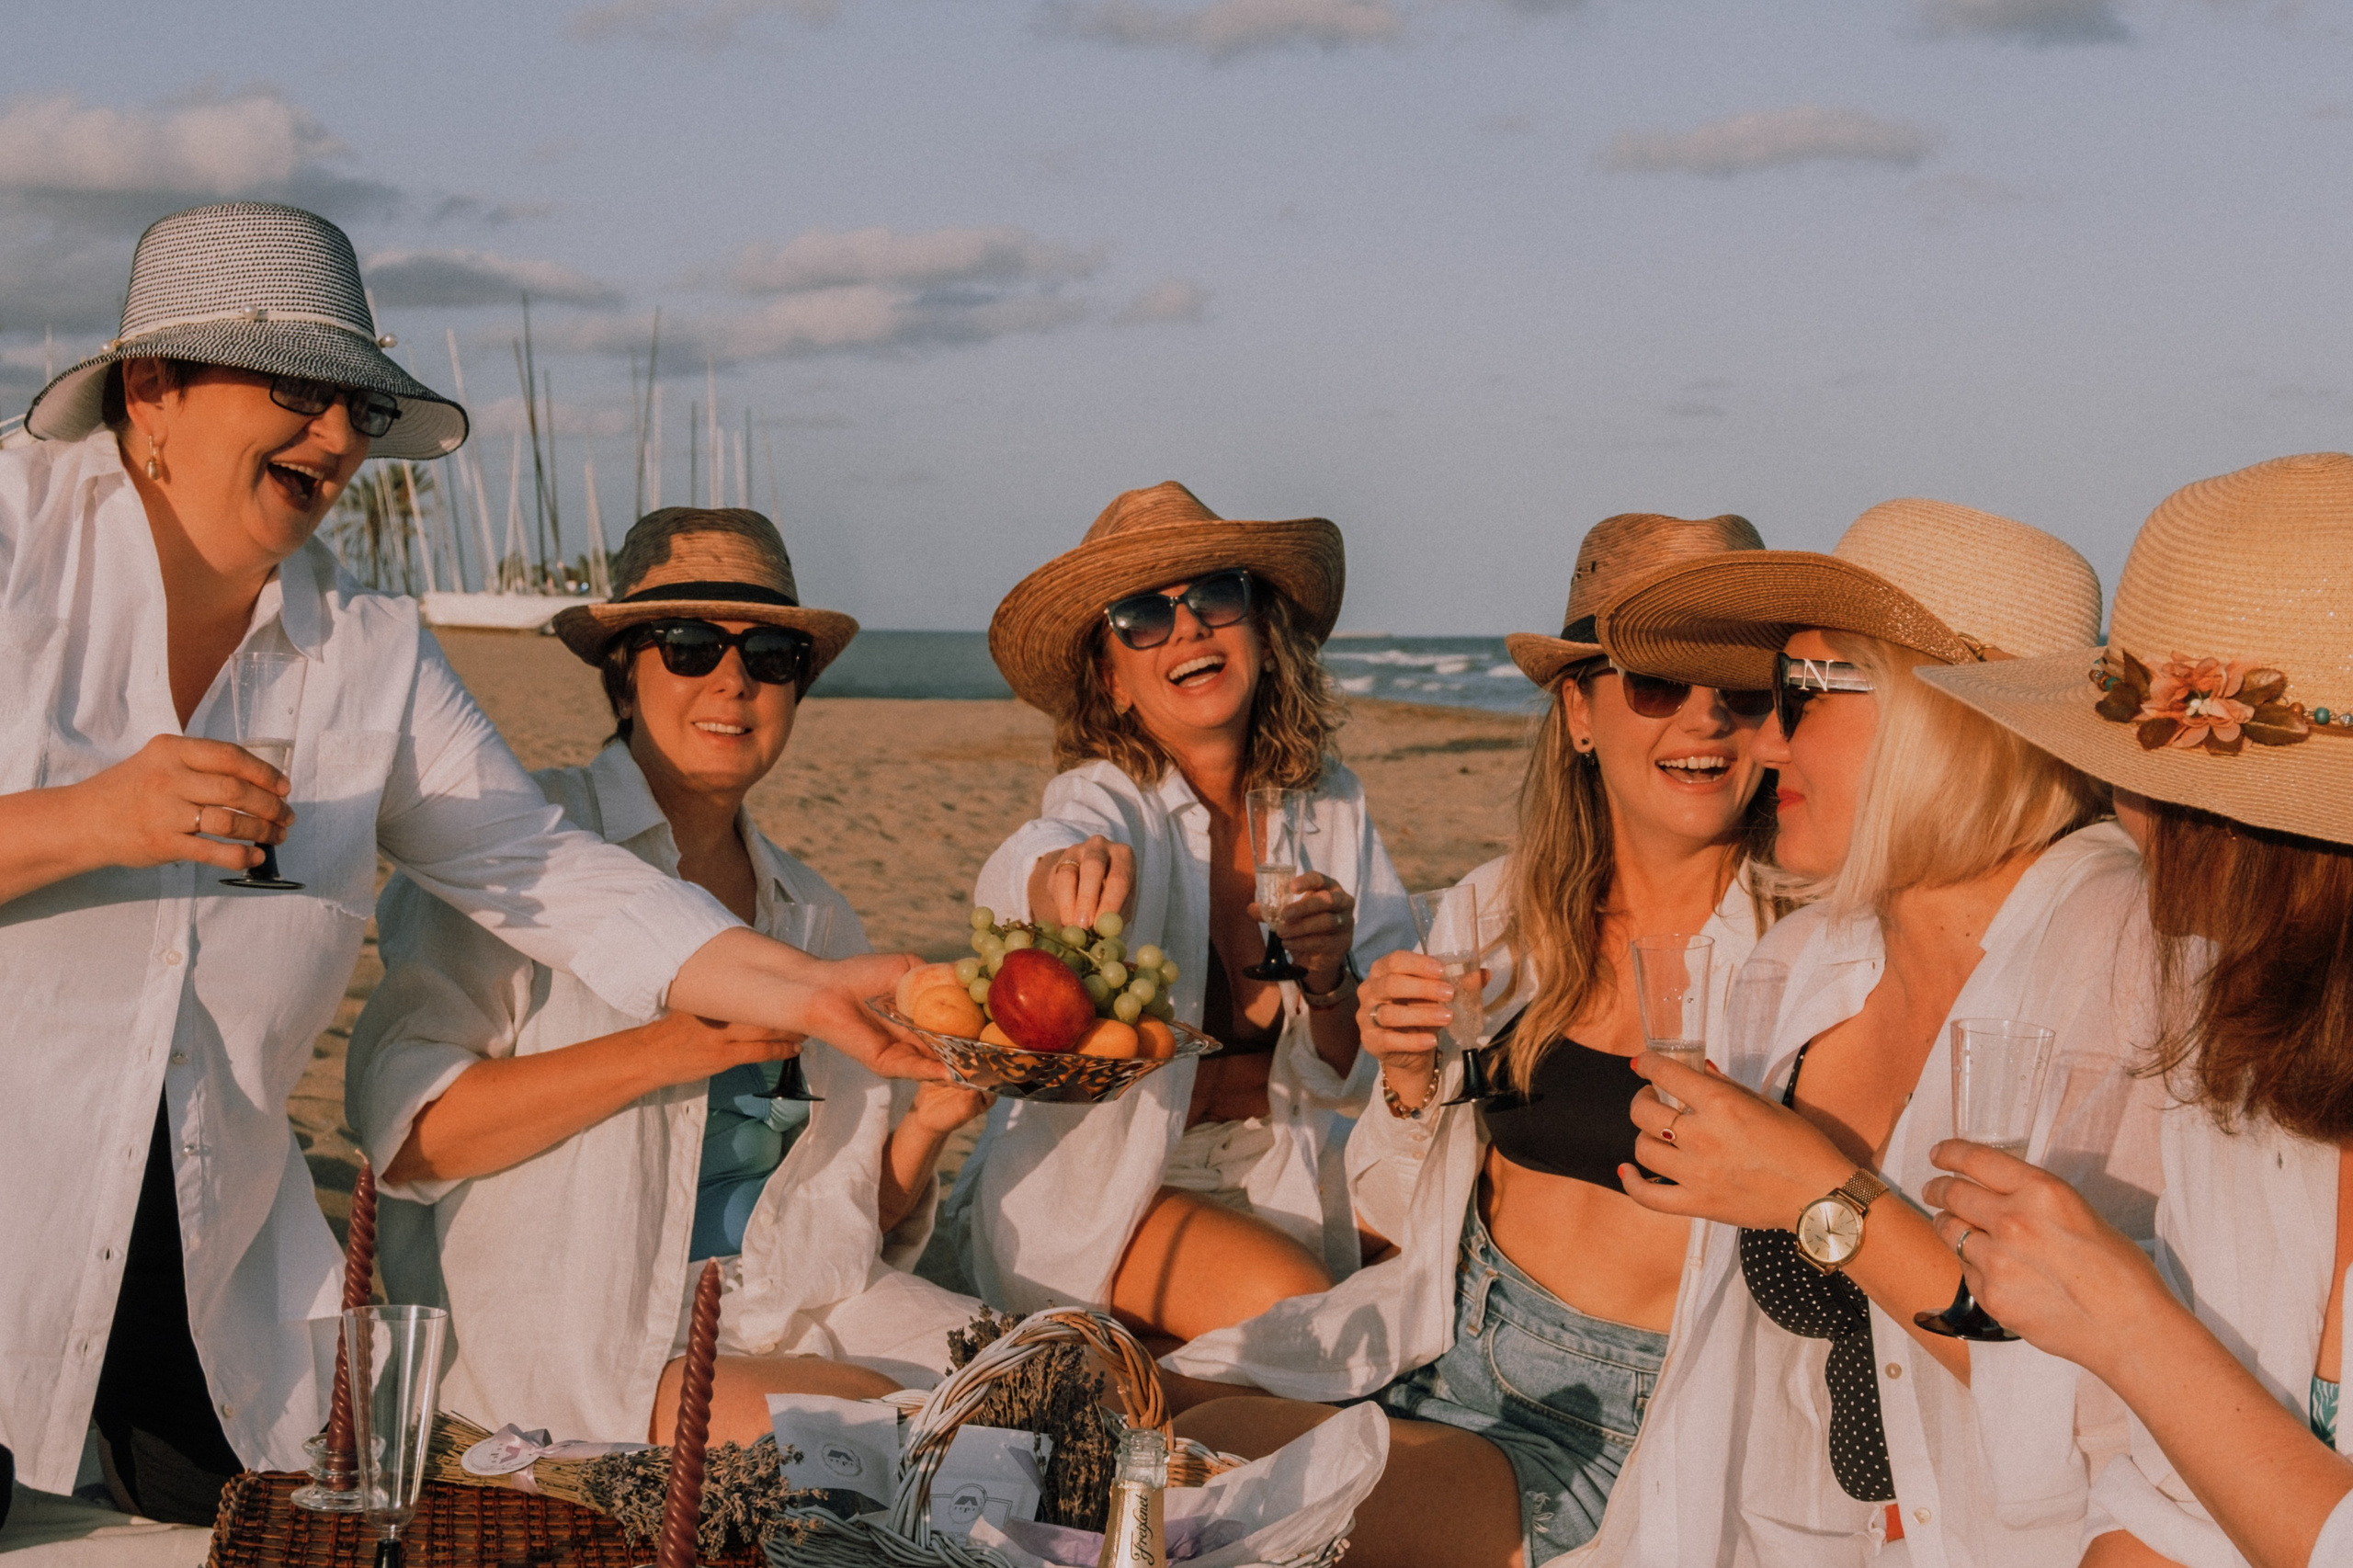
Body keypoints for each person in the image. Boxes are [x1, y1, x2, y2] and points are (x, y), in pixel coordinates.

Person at [0, 204, 934, 1522]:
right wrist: (88, 821)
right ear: (152, 391)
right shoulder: (11, 545)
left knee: (254, 1540)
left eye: (360, 410)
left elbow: (543, 866)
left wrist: (803, 992)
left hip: (215, 1239)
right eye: (300, 390)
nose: (336, 439)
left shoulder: (367, 648)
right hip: (12, 1191)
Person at [1173, 513, 1782, 1567]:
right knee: (1139, 1438)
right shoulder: (1497, 911)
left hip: (1609, 1419)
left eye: (1740, 689)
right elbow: (1393, 1212)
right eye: (1656, 684)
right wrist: (1406, 1080)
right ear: (1579, 710)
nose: (1705, 718)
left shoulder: (1804, 952)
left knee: (1228, 1525)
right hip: (1439, 1336)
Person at [1582, 499, 2165, 1566]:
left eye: (1803, 692)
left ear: (1955, 714)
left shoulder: (2136, 962)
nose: (1759, 737)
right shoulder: (1799, 962)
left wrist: (1821, 1195)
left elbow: (2145, 1414)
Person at [349, 508, 992, 1447]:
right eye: (688, 645)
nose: (732, 678)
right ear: (624, 670)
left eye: (771, 653)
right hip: (576, 1337)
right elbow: (410, 1142)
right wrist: (669, 1047)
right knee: (872, 1422)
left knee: (1072, 1373)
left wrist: (930, 1118)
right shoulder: (521, 857)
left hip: (783, 1312)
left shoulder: (811, 912)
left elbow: (835, 1227)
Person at [1913, 452, 2353, 1568]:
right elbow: (2171, 1504)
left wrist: (2128, 1325)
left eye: (2141, 770)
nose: (2119, 807)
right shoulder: (2247, 1085)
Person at [947, 481, 1414, 1343]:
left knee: (1438, 1276)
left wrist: (1328, 977)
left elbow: (1364, 1069)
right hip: (1117, 1188)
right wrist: (1061, 878)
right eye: (1142, 616)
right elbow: (1041, 852)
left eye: (1215, 597)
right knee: (1306, 1317)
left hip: (1288, 1163)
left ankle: (1121, 1407)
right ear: (1110, 677)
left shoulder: (1331, 805)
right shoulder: (1109, 799)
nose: (1189, 628)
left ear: (1264, 635)